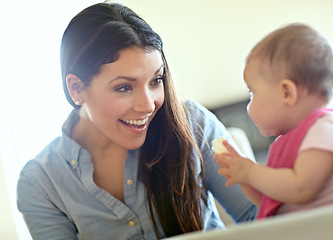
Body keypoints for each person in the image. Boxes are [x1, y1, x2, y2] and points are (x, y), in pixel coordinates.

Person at [16, 2, 257, 239]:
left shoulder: (194, 125)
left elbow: (260, 218)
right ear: (77, 88)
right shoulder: (40, 182)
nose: (149, 104)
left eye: (156, 81)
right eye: (124, 87)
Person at [214, 23, 333, 219]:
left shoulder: (323, 128)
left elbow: (300, 188)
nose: (249, 104)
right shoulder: (289, 141)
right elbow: (269, 200)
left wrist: (251, 172)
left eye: (253, 93)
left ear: (287, 93)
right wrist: (242, 175)